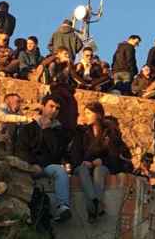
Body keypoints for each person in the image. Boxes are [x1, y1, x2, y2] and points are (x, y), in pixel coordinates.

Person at [15, 95, 73, 223]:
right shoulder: (28, 128)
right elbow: (21, 150)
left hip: (47, 167)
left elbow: (57, 153)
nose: (54, 110)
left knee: (59, 170)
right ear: (43, 106)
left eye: (57, 108)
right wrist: (32, 164)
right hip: (29, 166)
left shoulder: (58, 131)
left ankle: (63, 207)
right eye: (51, 106)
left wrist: (47, 131)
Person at [70, 102, 126, 223]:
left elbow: (114, 156)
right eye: (85, 113)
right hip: (82, 166)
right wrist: (86, 162)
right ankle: (96, 202)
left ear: (99, 115)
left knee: (99, 171)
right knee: (83, 170)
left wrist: (100, 161)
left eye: (89, 113)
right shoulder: (81, 132)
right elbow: (75, 154)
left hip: (103, 166)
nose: (86, 116)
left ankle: (92, 208)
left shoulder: (109, 133)